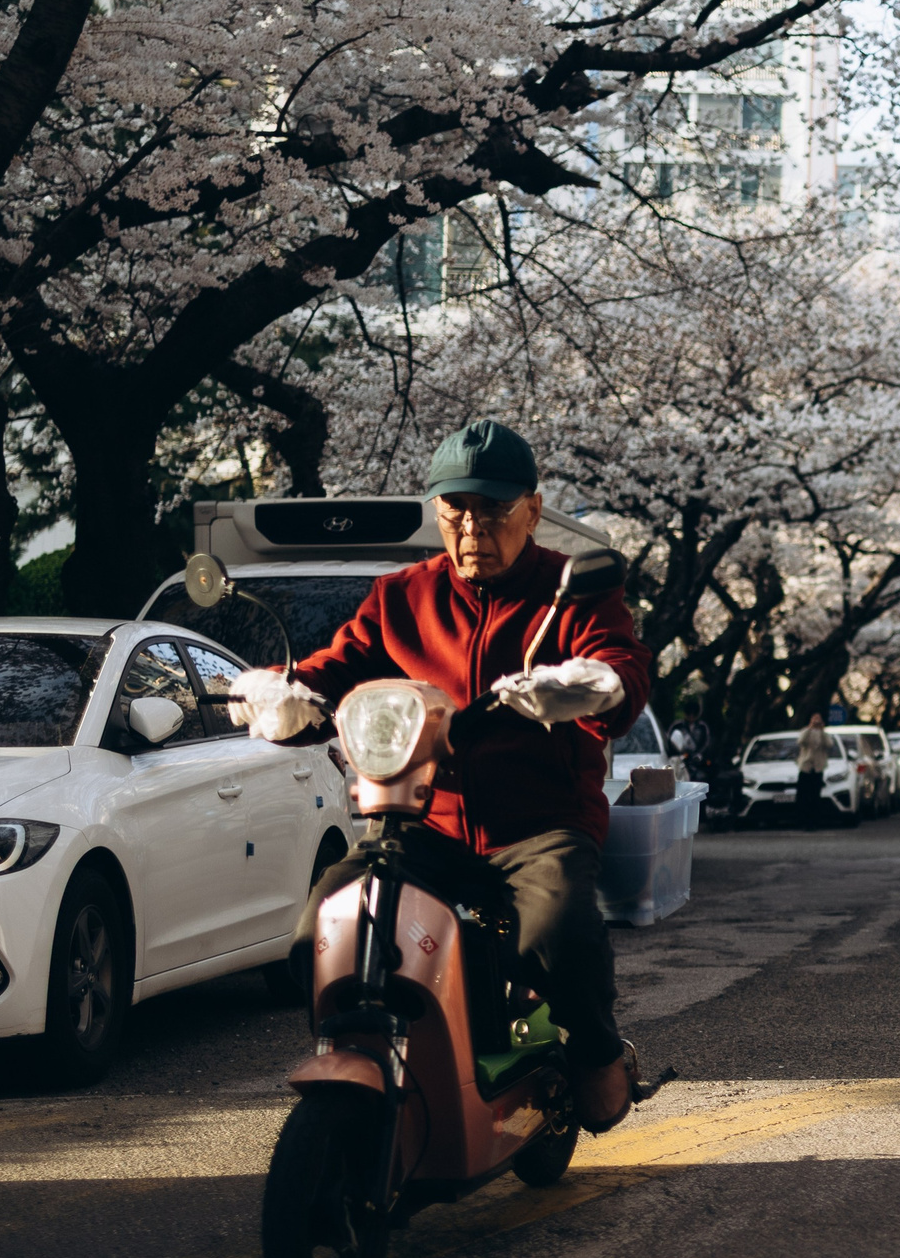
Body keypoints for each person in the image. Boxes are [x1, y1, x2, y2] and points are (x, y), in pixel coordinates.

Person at [234, 419, 655, 1133]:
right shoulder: (401, 595)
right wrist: (283, 691)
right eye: (456, 509)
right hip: (422, 824)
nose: (472, 528)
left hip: (540, 825)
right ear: (436, 510)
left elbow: (621, 665)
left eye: (493, 510)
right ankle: (373, 1054)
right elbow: (339, 665)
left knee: (558, 934)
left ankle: (597, 1050)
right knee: (324, 926)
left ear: (532, 509)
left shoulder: (570, 590)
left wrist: (590, 685)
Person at [794, 712, 831, 826]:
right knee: (803, 795)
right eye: (814, 718)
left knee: (815, 795)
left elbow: (829, 744)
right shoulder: (806, 731)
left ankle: (815, 820)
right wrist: (810, 728)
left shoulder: (823, 734)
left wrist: (822, 730)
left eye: (818, 719)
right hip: (806, 766)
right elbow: (800, 741)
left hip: (818, 767)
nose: (816, 721)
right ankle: (803, 819)